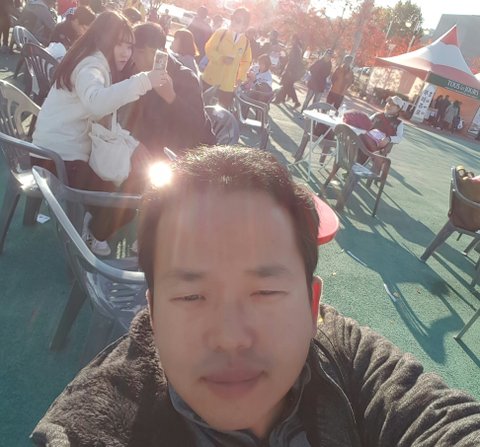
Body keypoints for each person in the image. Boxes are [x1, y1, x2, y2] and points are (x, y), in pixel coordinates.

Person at [31, 146, 480, 446]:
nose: (230, 338)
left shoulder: (344, 354)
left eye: (265, 291)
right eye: (191, 296)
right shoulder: (94, 424)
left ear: (312, 307)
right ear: (152, 312)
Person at [32, 11, 166, 256]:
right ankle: (92, 235)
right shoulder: (92, 65)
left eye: (129, 46)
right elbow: (96, 103)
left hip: (53, 153)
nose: (125, 53)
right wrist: (144, 80)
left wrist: (132, 143)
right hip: (58, 160)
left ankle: (92, 225)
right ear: (104, 39)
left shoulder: (90, 60)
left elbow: (103, 119)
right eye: (119, 44)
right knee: (124, 206)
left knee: (123, 183)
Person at [122, 22, 215, 158]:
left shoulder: (185, 77)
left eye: (142, 52)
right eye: (134, 50)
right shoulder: (134, 70)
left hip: (186, 155)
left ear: (162, 53)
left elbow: (197, 127)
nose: (136, 57)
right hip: (146, 149)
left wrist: (171, 97)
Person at [202, 7, 252, 109]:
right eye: (232, 17)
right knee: (202, 108)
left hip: (228, 86)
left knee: (221, 113)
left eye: (238, 20)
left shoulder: (245, 42)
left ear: (244, 25)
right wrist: (221, 58)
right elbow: (209, 48)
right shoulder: (221, 33)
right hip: (210, 79)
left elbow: (246, 61)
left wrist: (240, 78)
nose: (233, 21)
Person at [300, 48, 333, 113]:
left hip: (321, 86)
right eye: (327, 55)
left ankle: (311, 114)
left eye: (330, 56)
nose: (328, 57)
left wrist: (321, 74)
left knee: (316, 103)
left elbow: (327, 74)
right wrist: (316, 74)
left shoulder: (330, 64)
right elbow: (311, 68)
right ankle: (303, 111)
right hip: (313, 83)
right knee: (307, 99)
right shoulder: (319, 61)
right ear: (325, 54)